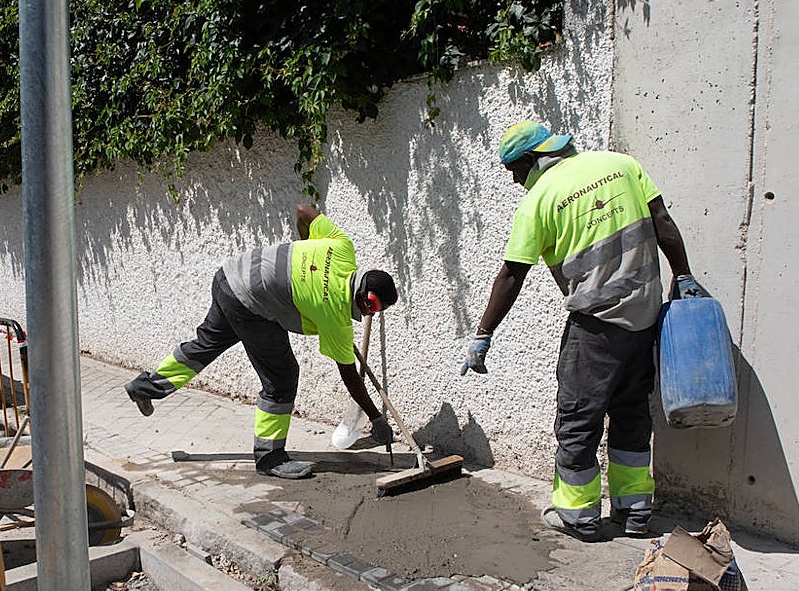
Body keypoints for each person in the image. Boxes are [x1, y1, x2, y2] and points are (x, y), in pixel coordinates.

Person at [461, 121, 709, 541]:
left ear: (531, 159)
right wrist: (683, 274)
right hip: (644, 321)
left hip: (595, 327)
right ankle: (635, 511)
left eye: (515, 171)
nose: (516, 181)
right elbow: (662, 221)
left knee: (578, 419)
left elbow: (512, 274)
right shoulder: (621, 165)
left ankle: (578, 515)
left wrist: (484, 332)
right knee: (632, 414)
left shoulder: (539, 200)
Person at [125, 203, 398, 479]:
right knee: (282, 378)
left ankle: (145, 387)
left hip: (229, 277)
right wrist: (376, 418)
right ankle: (270, 457)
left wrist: (307, 248)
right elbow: (349, 375)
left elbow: (303, 210)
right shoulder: (335, 315)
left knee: (205, 345)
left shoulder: (342, 247)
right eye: (374, 309)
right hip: (250, 303)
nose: (371, 315)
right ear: (366, 299)